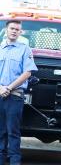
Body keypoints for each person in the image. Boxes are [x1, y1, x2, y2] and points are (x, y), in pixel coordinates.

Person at [0, 20, 37, 165]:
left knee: (13, 132)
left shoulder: (25, 49)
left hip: (14, 96)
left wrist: (8, 87)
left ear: (20, 32)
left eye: (17, 29)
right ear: (6, 30)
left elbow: (27, 72)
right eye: (12, 28)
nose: (14, 31)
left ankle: (15, 161)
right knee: (0, 132)